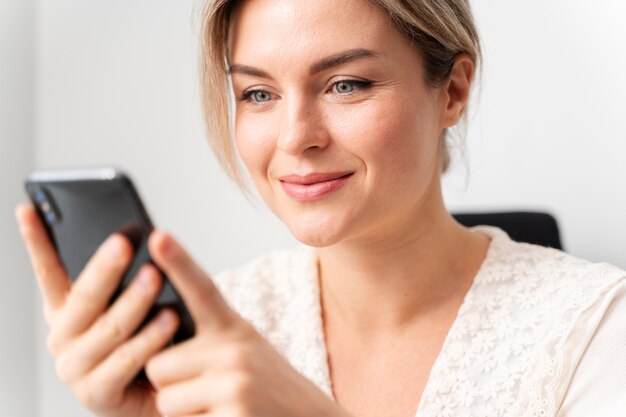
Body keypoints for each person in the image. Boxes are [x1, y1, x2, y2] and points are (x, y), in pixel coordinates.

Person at [15, 0, 626, 416]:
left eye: (346, 84)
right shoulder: (215, 328)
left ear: (453, 91)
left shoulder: (596, 327)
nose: (294, 137)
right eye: (257, 93)